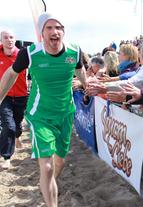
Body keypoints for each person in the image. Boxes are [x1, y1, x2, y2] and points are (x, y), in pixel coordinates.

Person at [0, 13, 88, 207]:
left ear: (63, 32)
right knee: (46, 167)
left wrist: (87, 84)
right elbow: (11, 74)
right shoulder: (29, 53)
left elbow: (80, 69)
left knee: (59, 164)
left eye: (58, 28)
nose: (54, 31)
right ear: (41, 33)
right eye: (49, 28)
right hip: (40, 116)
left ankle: (48, 184)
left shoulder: (74, 52)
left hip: (65, 114)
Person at [0, 30, 28, 169]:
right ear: (1, 40)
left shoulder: (23, 55)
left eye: (11, 37)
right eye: (5, 37)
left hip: (22, 95)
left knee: (16, 125)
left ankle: (17, 137)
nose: (9, 40)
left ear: (15, 39)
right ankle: (6, 157)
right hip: (4, 96)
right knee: (8, 125)